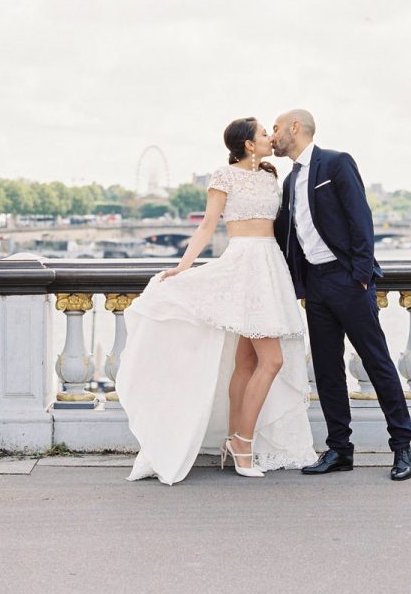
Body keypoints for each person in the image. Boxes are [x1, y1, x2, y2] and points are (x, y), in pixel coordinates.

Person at [115, 117, 316, 485]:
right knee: (271, 360)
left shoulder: (272, 176)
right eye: (262, 134)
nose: (270, 137)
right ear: (248, 145)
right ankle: (242, 443)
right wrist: (182, 267)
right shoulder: (223, 177)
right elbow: (207, 226)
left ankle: (234, 438)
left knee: (247, 360)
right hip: (244, 266)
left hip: (270, 265)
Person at [271, 109, 411, 481]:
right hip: (315, 285)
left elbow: (359, 218)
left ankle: (402, 447)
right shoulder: (289, 181)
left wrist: (361, 275)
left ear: (295, 128)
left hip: (349, 281)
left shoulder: (335, 164)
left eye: (276, 129)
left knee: (377, 362)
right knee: (327, 369)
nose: (273, 136)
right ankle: (339, 450)